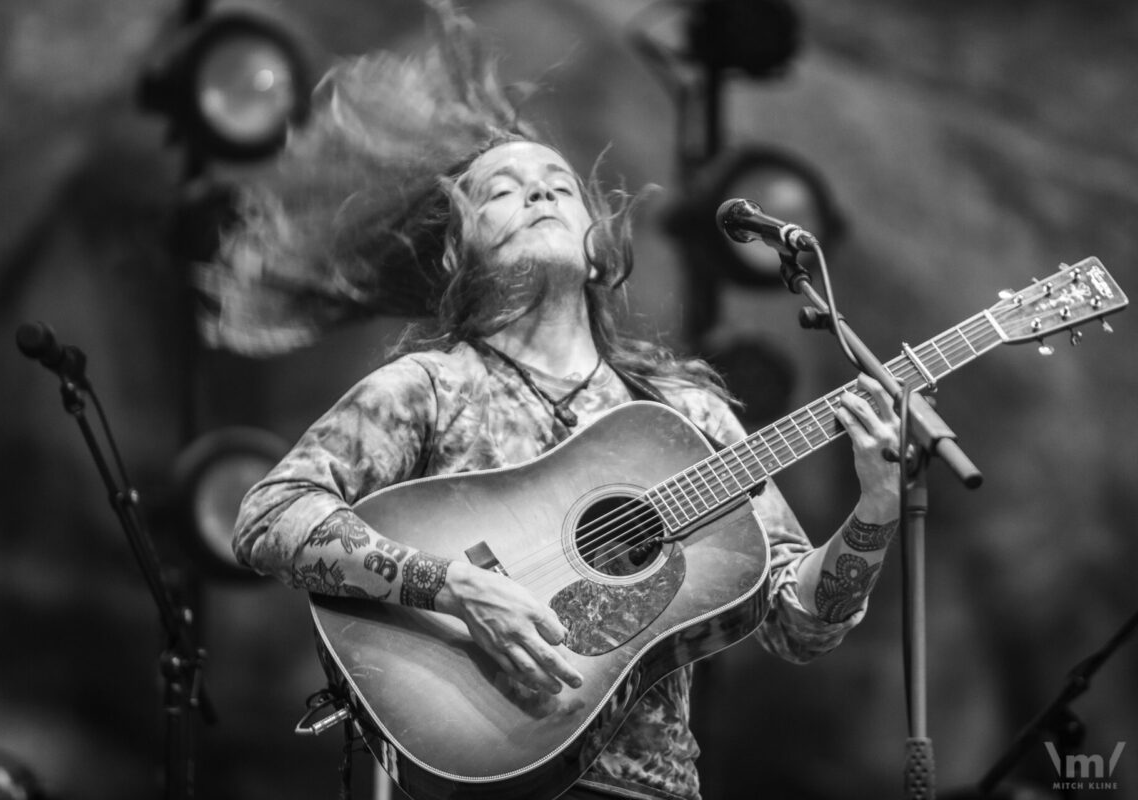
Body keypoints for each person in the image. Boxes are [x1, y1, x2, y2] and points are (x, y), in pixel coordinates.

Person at [213, 6, 902, 799]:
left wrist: (876, 508)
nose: (537, 196)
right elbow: (269, 516)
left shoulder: (685, 414)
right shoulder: (430, 388)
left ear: (597, 245)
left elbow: (797, 623)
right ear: (458, 249)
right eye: (503, 191)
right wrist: (449, 584)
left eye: (556, 187)